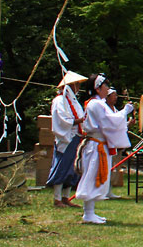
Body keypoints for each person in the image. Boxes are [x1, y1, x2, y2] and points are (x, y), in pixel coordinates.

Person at [75, 74, 134, 223]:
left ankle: (90, 212)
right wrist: (124, 112)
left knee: (95, 176)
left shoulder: (97, 103)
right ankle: (88, 213)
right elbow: (110, 122)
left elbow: (109, 122)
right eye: (105, 86)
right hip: (95, 146)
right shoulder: (96, 104)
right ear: (98, 88)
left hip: (98, 145)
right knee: (92, 177)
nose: (107, 89)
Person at [47, 71, 88, 208]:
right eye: (76, 85)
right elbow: (63, 120)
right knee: (63, 166)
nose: (78, 88)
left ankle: (66, 197)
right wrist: (81, 120)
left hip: (77, 136)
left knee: (72, 168)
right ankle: (57, 198)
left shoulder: (73, 101)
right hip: (67, 137)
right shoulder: (59, 101)